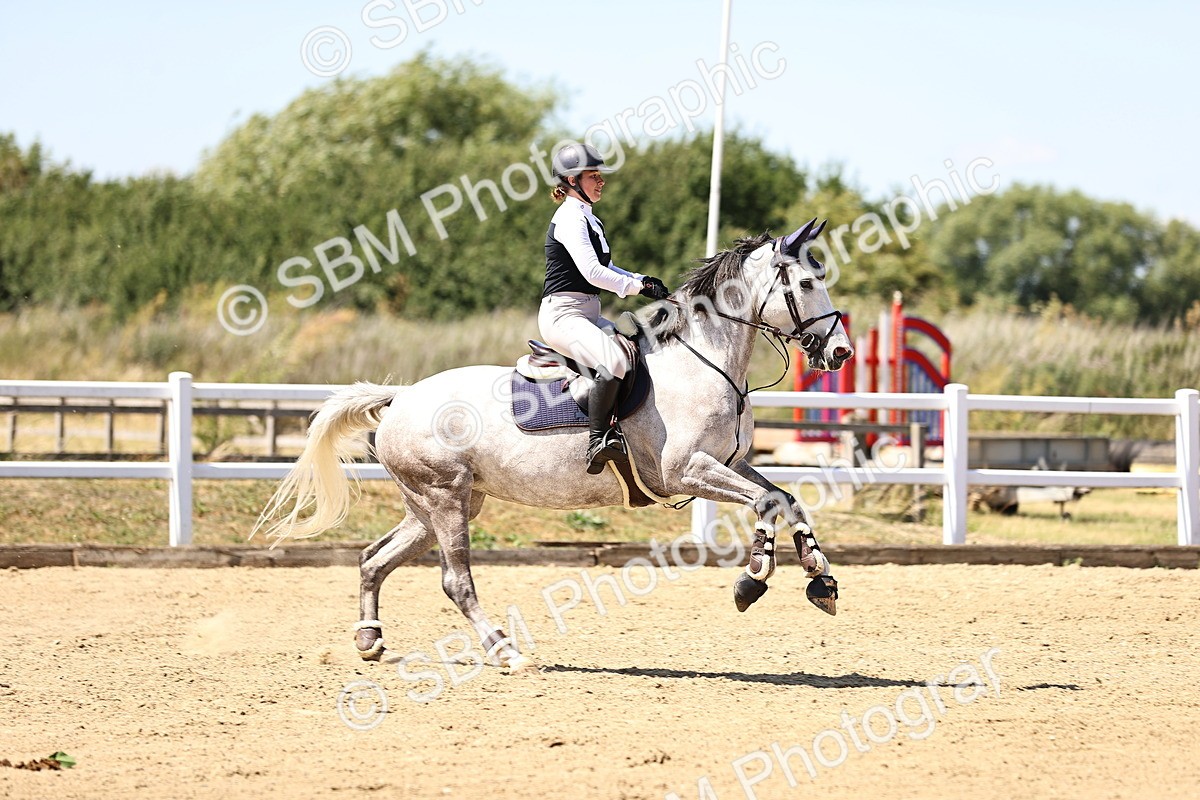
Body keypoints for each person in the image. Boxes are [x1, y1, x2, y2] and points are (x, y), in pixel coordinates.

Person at [539, 142, 670, 474]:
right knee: (612, 362)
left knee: (637, 351)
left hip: (587, 313)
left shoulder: (588, 218)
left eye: (600, 175)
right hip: (563, 315)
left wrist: (642, 278)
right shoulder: (569, 218)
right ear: (571, 180)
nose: (601, 181)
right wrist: (635, 287)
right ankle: (598, 440)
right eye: (593, 175)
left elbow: (608, 266)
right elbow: (593, 273)